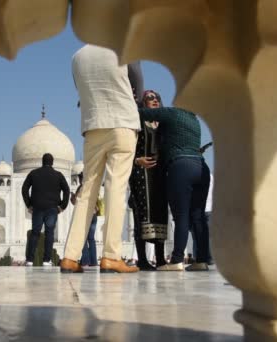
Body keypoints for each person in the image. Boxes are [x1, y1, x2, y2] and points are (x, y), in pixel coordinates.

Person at [61, 44, 143, 273]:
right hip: (122, 124)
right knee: (115, 187)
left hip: (93, 126)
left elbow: (83, 90)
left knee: (87, 191)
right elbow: (138, 85)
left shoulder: (77, 56)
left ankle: (70, 257)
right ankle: (111, 256)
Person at [138, 105, 210, 271]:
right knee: (198, 216)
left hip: (181, 166)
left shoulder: (171, 113)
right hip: (201, 167)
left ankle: (177, 260)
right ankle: (202, 260)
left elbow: (143, 113)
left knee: (181, 215)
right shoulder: (194, 120)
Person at [128, 90, 168, 271]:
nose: (154, 101)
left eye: (157, 98)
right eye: (150, 98)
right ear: (143, 103)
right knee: (141, 214)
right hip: (140, 174)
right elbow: (127, 148)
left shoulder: (164, 124)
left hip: (159, 175)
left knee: (160, 213)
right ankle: (142, 259)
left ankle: (160, 258)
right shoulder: (137, 122)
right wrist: (138, 160)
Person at [22, 153, 70, 266]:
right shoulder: (58, 175)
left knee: (35, 233)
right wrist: (62, 206)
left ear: (42, 161)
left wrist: (29, 204)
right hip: (52, 208)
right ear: (52, 162)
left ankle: (29, 260)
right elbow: (67, 190)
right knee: (49, 233)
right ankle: (46, 260)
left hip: (37, 208)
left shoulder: (34, 173)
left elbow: (24, 189)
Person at [70, 172, 100, 267]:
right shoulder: (93, 187)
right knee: (91, 239)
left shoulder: (81, 188)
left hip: (85, 215)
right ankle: (93, 261)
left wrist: (72, 196)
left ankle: (86, 261)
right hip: (94, 214)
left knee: (83, 238)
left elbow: (76, 202)